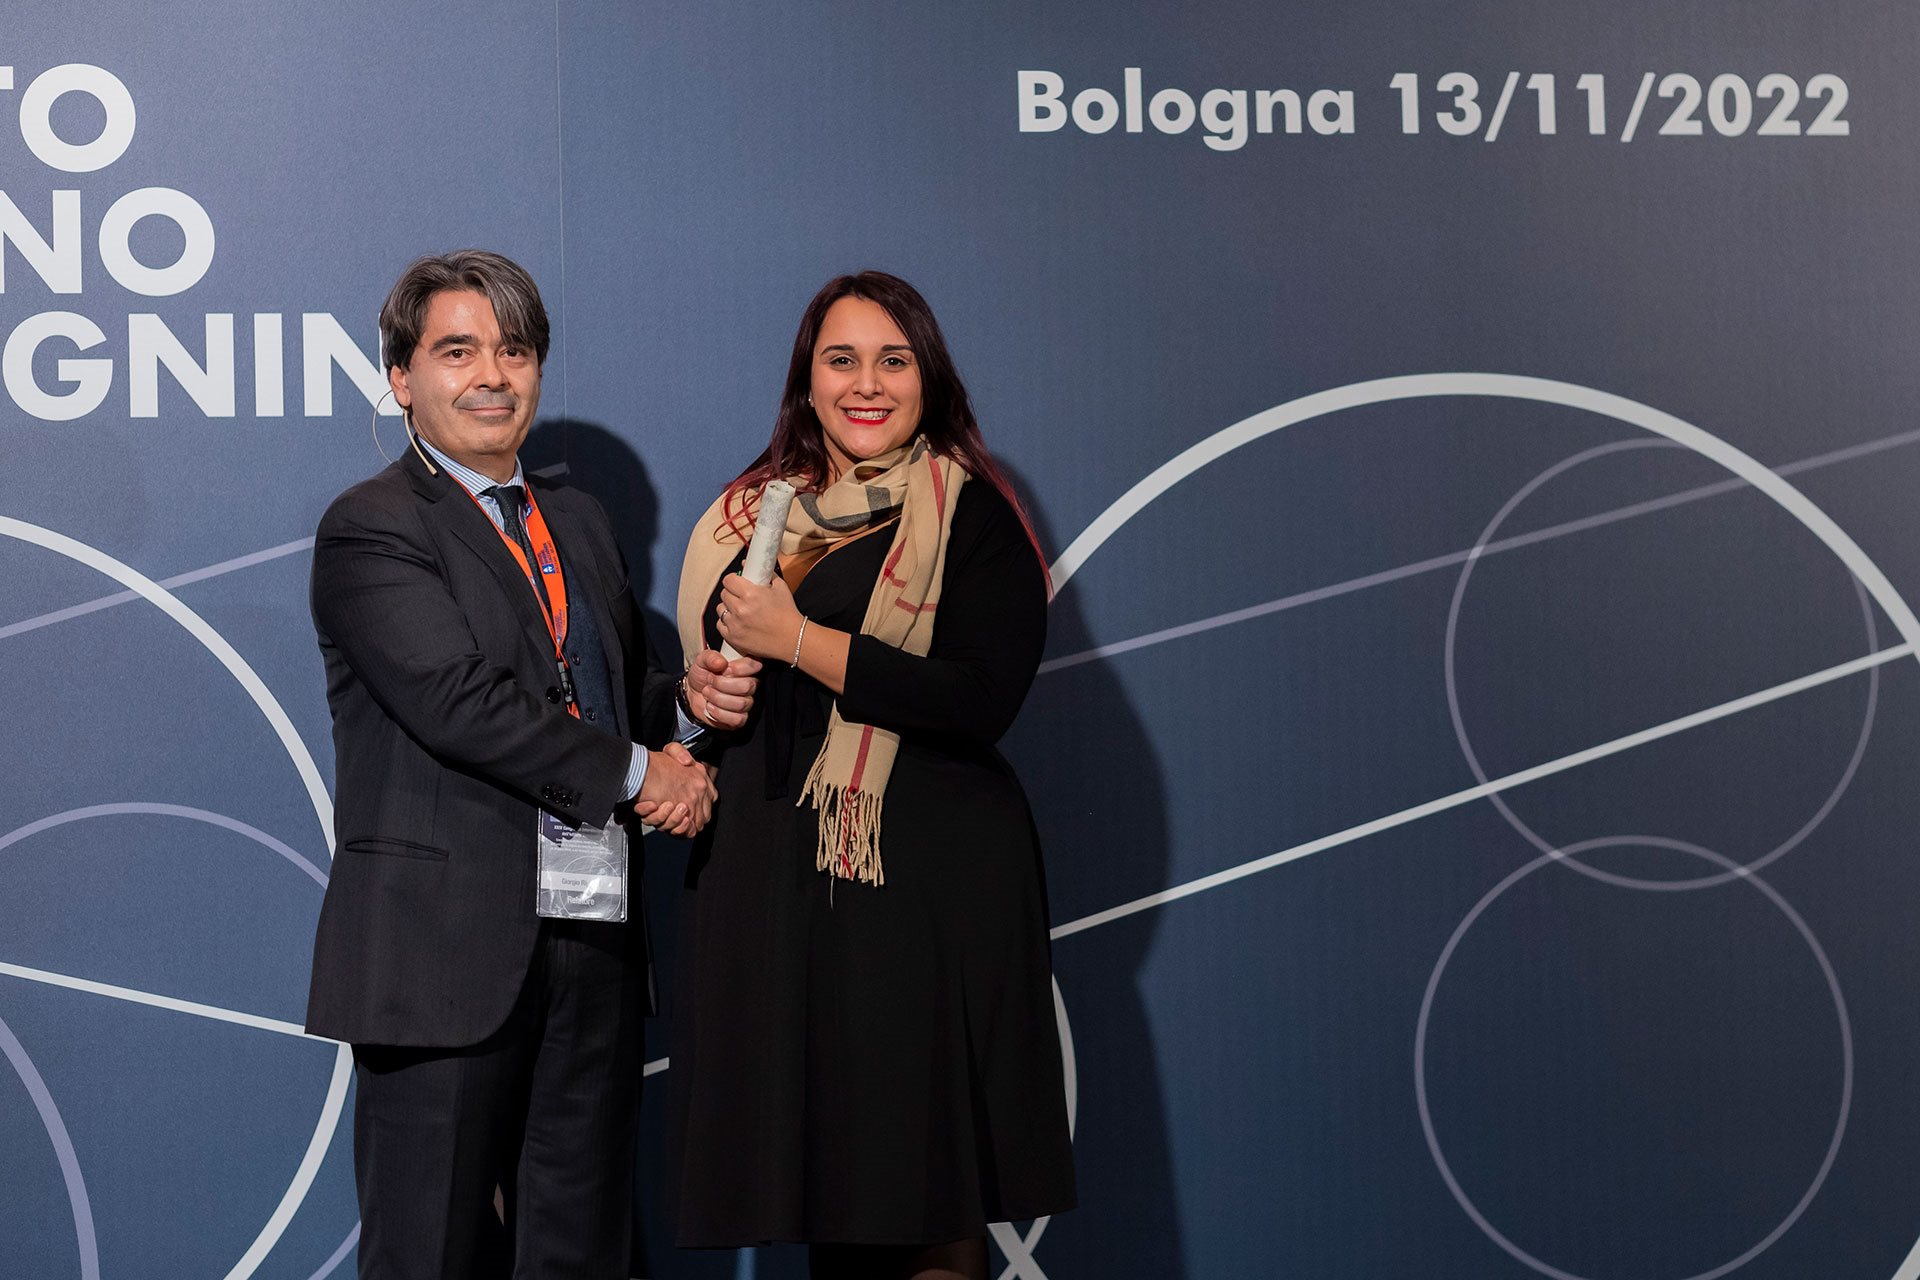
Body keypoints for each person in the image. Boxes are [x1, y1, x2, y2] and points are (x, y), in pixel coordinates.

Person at [304, 249, 733, 1280]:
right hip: (442, 954)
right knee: (431, 1252)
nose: (492, 375)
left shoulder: (576, 519)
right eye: (457, 351)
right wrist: (644, 776)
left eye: (515, 350)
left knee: (580, 1251)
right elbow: (459, 702)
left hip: (591, 939)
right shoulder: (372, 525)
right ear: (401, 378)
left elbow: (607, 690)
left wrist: (688, 705)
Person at [669, 271, 1076, 1279]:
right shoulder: (748, 515)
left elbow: (980, 697)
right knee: (835, 1192)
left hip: (920, 894)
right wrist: (700, 695)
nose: (866, 384)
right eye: (841, 359)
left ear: (928, 377)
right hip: (782, 895)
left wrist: (800, 639)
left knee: (923, 1185)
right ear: (805, 380)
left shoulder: (973, 515)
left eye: (893, 360)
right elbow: (714, 682)